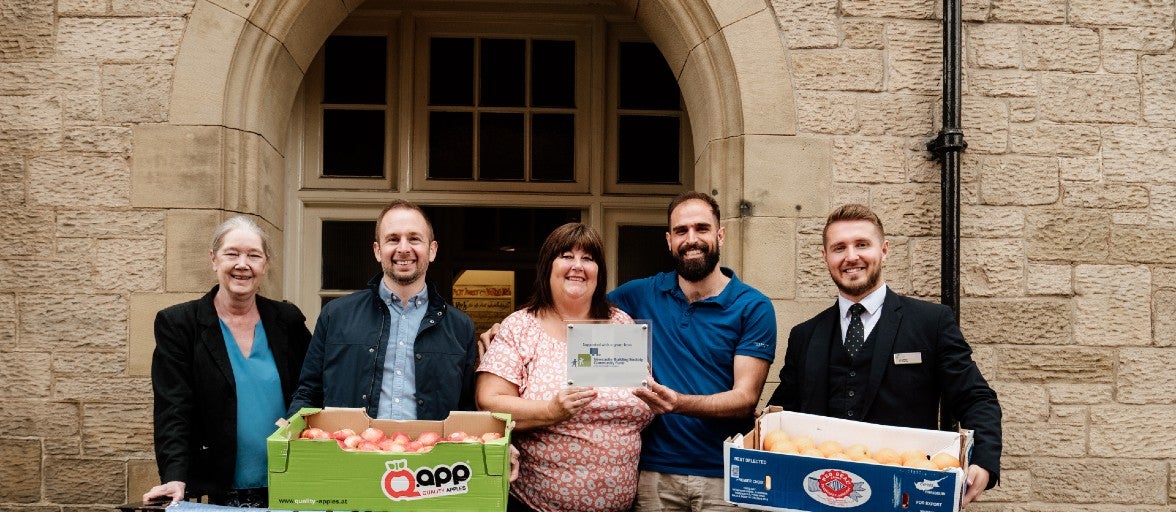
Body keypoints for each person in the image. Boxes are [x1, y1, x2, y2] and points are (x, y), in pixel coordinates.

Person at [766, 203, 1002, 506]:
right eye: (839, 248)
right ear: (826, 258)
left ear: (884, 250)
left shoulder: (932, 322)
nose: (851, 256)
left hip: (906, 496)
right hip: (820, 496)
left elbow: (976, 398)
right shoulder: (804, 335)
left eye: (862, 244)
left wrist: (981, 459)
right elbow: (782, 412)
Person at [609, 191, 777, 511]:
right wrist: (503, 329)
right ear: (669, 241)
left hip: (725, 473)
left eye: (702, 228)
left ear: (720, 235)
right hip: (655, 472)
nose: (692, 239)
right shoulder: (639, 294)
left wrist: (678, 403)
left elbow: (745, 399)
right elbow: (567, 311)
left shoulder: (752, 306)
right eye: (681, 231)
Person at [477, 223, 654, 512]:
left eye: (588, 258)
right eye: (566, 256)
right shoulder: (521, 327)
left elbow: (641, 401)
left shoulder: (620, 324)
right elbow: (489, 403)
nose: (578, 266)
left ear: (599, 270)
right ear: (548, 266)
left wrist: (656, 401)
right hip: (537, 505)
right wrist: (550, 411)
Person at [145, 216, 311, 507]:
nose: (242, 264)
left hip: (290, 483)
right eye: (232, 254)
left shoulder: (288, 321)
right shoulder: (179, 324)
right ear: (213, 259)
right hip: (216, 490)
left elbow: (311, 388)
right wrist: (174, 475)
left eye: (254, 255)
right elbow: (173, 408)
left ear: (265, 264)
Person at [288, 200, 477, 420]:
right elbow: (309, 393)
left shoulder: (460, 327)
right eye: (393, 239)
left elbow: (467, 410)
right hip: (350, 452)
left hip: (431, 453)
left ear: (432, 250)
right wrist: (290, 440)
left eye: (414, 238)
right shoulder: (336, 315)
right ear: (378, 250)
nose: (404, 249)